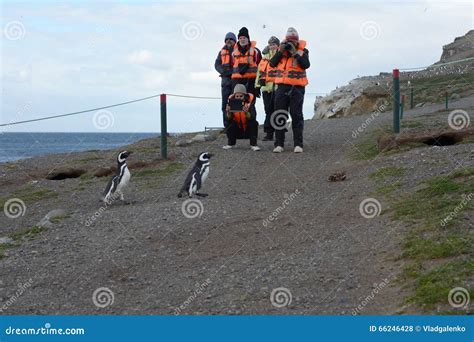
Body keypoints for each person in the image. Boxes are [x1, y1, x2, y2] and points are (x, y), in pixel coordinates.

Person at [269, 27, 310, 153]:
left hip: (297, 88)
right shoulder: (281, 51)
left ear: (297, 41)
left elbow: (306, 64)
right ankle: (279, 144)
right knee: (279, 115)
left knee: (296, 115)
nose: (291, 43)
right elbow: (272, 64)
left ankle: (298, 144)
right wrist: (280, 51)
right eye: (289, 40)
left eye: (293, 41)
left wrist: (295, 53)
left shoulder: (303, 51)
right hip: (282, 87)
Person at [231, 27, 262, 120]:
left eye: (244, 37)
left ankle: (251, 129)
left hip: (251, 81)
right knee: (236, 104)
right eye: (240, 38)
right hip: (237, 80)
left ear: (248, 39)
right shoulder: (234, 52)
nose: (242, 40)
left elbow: (261, 66)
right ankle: (238, 130)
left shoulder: (255, 51)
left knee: (250, 104)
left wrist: (258, 84)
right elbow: (232, 65)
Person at [255, 36, 280, 141]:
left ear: (278, 45)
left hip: (278, 88)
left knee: (278, 110)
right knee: (268, 111)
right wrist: (257, 86)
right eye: (270, 44)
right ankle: (269, 134)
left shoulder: (281, 57)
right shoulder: (264, 59)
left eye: (274, 44)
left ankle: (279, 134)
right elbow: (259, 73)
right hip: (266, 88)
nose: (272, 46)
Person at [223, 84, 260, 151]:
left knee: (254, 123)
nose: (239, 98)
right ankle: (230, 143)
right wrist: (228, 112)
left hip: (247, 129)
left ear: (245, 96)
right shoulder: (230, 104)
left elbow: (253, 117)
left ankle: (253, 144)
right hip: (237, 129)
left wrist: (246, 112)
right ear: (234, 96)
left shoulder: (250, 104)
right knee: (229, 123)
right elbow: (228, 119)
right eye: (237, 96)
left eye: (241, 96)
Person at [215, 32, 236, 129]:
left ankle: (236, 126)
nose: (229, 41)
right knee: (225, 106)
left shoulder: (239, 51)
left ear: (235, 41)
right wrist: (223, 72)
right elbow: (217, 64)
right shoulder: (221, 52)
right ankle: (227, 127)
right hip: (225, 83)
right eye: (227, 39)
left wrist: (231, 72)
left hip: (236, 82)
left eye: (231, 39)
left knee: (236, 104)